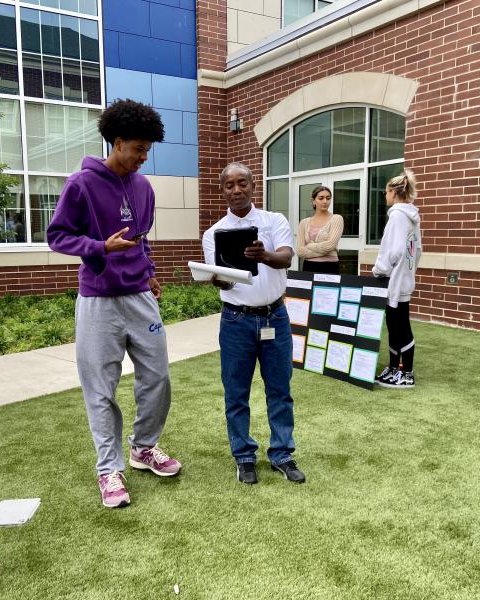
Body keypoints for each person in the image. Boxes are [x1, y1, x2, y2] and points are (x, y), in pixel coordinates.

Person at [47, 99, 181, 509]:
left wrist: (150, 269)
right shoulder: (81, 184)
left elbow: (142, 238)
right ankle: (109, 469)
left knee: (157, 378)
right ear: (116, 141)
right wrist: (99, 246)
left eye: (147, 150)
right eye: (138, 149)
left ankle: (143, 447)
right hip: (98, 301)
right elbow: (58, 236)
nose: (143, 157)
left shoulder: (143, 188)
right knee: (100, 389)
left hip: (139, 294)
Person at [202, 162, 305, 485]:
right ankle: (244, 456)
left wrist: (264, 256)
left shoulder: (274, 221)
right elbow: (224, 282)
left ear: (252, 185)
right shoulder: (213, 233)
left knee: (280, 389)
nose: (236, 190)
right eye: (229, 185)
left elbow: (286, 257)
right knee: (236, 392)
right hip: (236, 321)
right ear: (223, 190)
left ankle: (282, 454)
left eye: (242, 183)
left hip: (275, 315)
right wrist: (220, 281)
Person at [372, 169, 422, 389]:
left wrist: (379, 269)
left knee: (399, 326)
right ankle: (394, 368)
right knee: (395, 325)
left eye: (386, 192)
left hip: (394, 280)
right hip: (404, 279)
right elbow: (417, 250)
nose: (385, 196)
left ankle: (406, 373)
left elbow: (392, 251)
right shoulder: (411, 217)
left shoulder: (397, 216)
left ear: (393, 192)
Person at [295, 186, 344, 274]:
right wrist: (327, 252)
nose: (325, 201)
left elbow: (330, 246)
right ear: (313, 200)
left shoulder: (336, 219)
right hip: (308, 266)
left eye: (328, 198)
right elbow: (299, 251)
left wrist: (310, 246)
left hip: (330, 266)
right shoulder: (303, 223)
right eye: (321, 198)